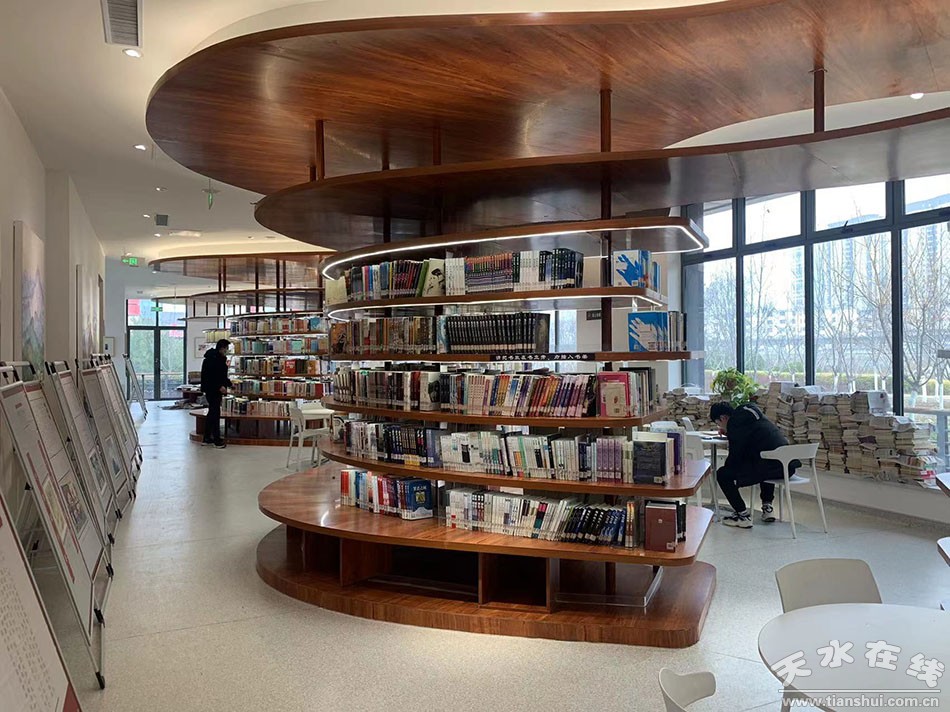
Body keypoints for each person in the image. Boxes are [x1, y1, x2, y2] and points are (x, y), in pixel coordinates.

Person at [709, 401, 799, 528]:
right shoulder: (751, 413)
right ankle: (767, 508)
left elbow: (735, 457)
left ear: (723, 418)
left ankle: (742, 515)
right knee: (764, 460)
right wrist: (730, 434)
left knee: (723, 474)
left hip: (771, 468)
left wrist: (731, 471)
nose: (721, 427)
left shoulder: (734, 425)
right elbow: (751, 436)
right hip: (788, 466)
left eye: (718, 423)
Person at [200, 339, 232, 448]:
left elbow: (220, 376)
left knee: (212, 413)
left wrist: (229, 384)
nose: (227, 351)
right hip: (214, 390)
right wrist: (220, 386)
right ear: (222, 348)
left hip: (210, 389)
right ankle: (217, 440)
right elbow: (213, 376)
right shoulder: (216, 360)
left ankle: (207, 438)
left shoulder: (211, 358)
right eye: (226, 348)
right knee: (215, 414)